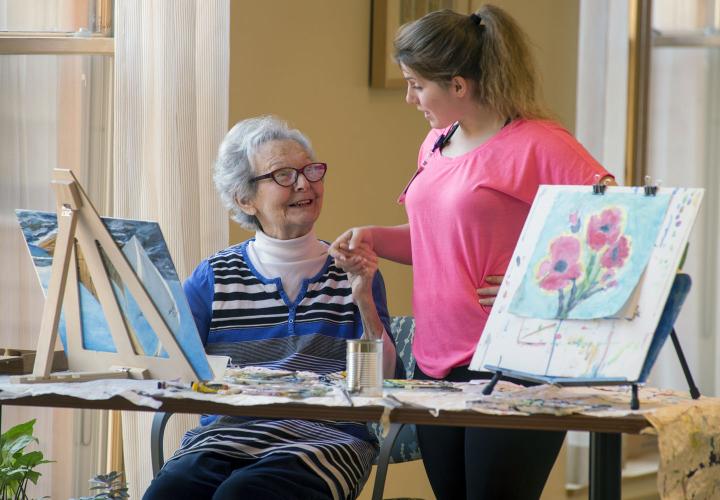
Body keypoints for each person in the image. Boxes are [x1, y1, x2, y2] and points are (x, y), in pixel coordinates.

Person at [330, 5, 615, 500]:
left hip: (515, 365)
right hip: (435, 364)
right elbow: (441, 244)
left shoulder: (537, 143)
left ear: (458, 86)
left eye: (417, 85)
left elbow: (621, 226)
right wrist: (374, 236)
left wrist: (537, 279)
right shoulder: (437, 142)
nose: (409, 97)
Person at [144, 115, 399, 500]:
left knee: (243, 496)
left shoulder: (354, 270)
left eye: (310, 171)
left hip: (325, 441)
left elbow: (381, 381)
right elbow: (173, 366)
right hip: (225, 435)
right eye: (283, 174)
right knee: (168, 493)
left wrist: (362, 297)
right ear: (244, 199)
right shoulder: (215, 276)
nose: (304, 183)